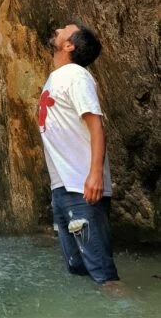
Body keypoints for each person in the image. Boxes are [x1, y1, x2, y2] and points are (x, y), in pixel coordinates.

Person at [38, 21, 120, 286]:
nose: (58, 29)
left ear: (69, 44)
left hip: (82, 189)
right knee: (80, 272)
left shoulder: (76, 75)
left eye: (65, 29)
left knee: (103, 275)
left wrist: (95, 175)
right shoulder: (57, 77)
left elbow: (96, 126)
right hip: (63, 189)